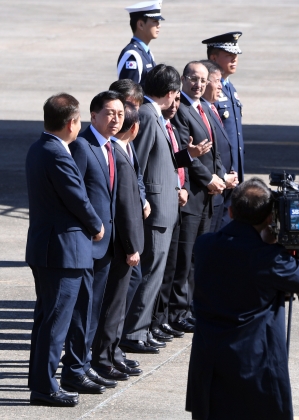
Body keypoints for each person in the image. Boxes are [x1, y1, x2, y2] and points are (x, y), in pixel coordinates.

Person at [186, 178, 299, 420]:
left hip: (209, 364)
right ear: (270, 217)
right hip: (254, 369)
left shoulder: (205, 245)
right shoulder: (269, 259)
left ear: (230, 211)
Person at [120, 64, 211, 354]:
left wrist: (184, 162)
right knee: (150, 273)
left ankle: (143, 330)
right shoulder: (147, 115)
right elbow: (139, 165)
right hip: (156, 211)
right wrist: (145, 199)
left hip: (166, 206)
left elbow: (163, 160)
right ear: (171, 92)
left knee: (157, 274)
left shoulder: (154, 114)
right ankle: (134, 333)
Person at [26, 93, 103, 406]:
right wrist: (97, 225)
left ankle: (41, 383)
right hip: (62, 250)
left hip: (46, 248)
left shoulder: (38, 147)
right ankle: (45, 388)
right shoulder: (58, 154)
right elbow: (77, 198)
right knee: (56, 323)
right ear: (72, 123)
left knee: (47, 320)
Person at [61, 91, 124, 392]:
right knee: (82, 312)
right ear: (94, 115)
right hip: (89, 241)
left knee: (94, 309)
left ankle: (84, 364)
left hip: (107, 244)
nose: (116, 119)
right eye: (110, 113)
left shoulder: (111, 148)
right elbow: (76, 195)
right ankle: (75, 369)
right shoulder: (83, 146)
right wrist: (92, 227)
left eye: (120, 114)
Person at [169, 61, 225, 333]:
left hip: (208, 196)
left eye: (203, 80)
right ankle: (177, 311)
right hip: (192, 195)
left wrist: (223, 175)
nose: (199, 84)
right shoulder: (181, 110)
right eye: (193, 79)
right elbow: (185, 154)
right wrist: (209, 178)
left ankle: (191, 307)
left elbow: (215, 151)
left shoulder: (204, 109)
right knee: (185, 256)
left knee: (198, 257)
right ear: (183, 79)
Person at [91, 103, 144, 380]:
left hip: (122, 243)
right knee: (112, 306)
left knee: (118, 303)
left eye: (120, 115)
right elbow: (124, 208)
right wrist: (133, 246)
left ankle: (111, 354)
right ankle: (103, 357)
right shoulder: (117, 156)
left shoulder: (119, 151)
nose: (115, 120)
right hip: (122, 245)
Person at [200, 59, 239, 231]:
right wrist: (223, 177)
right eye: (216, 81)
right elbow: (204, 154)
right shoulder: (199, 111)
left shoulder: (210, 108)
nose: (220, 86)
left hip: (223, 187)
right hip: (210, 189)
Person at [202, 31, 244, 183]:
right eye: (228, 54)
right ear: (213, 58)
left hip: (236, 167)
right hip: (220, 170)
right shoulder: (207, 89)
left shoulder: (230, 87)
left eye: (236, 55)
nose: (234, 59)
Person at [117, 1, 164, 88]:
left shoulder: (146, 52)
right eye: (155, 21)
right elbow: (129, 96)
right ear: (141, 25)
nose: (159, 25)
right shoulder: (132, 55)